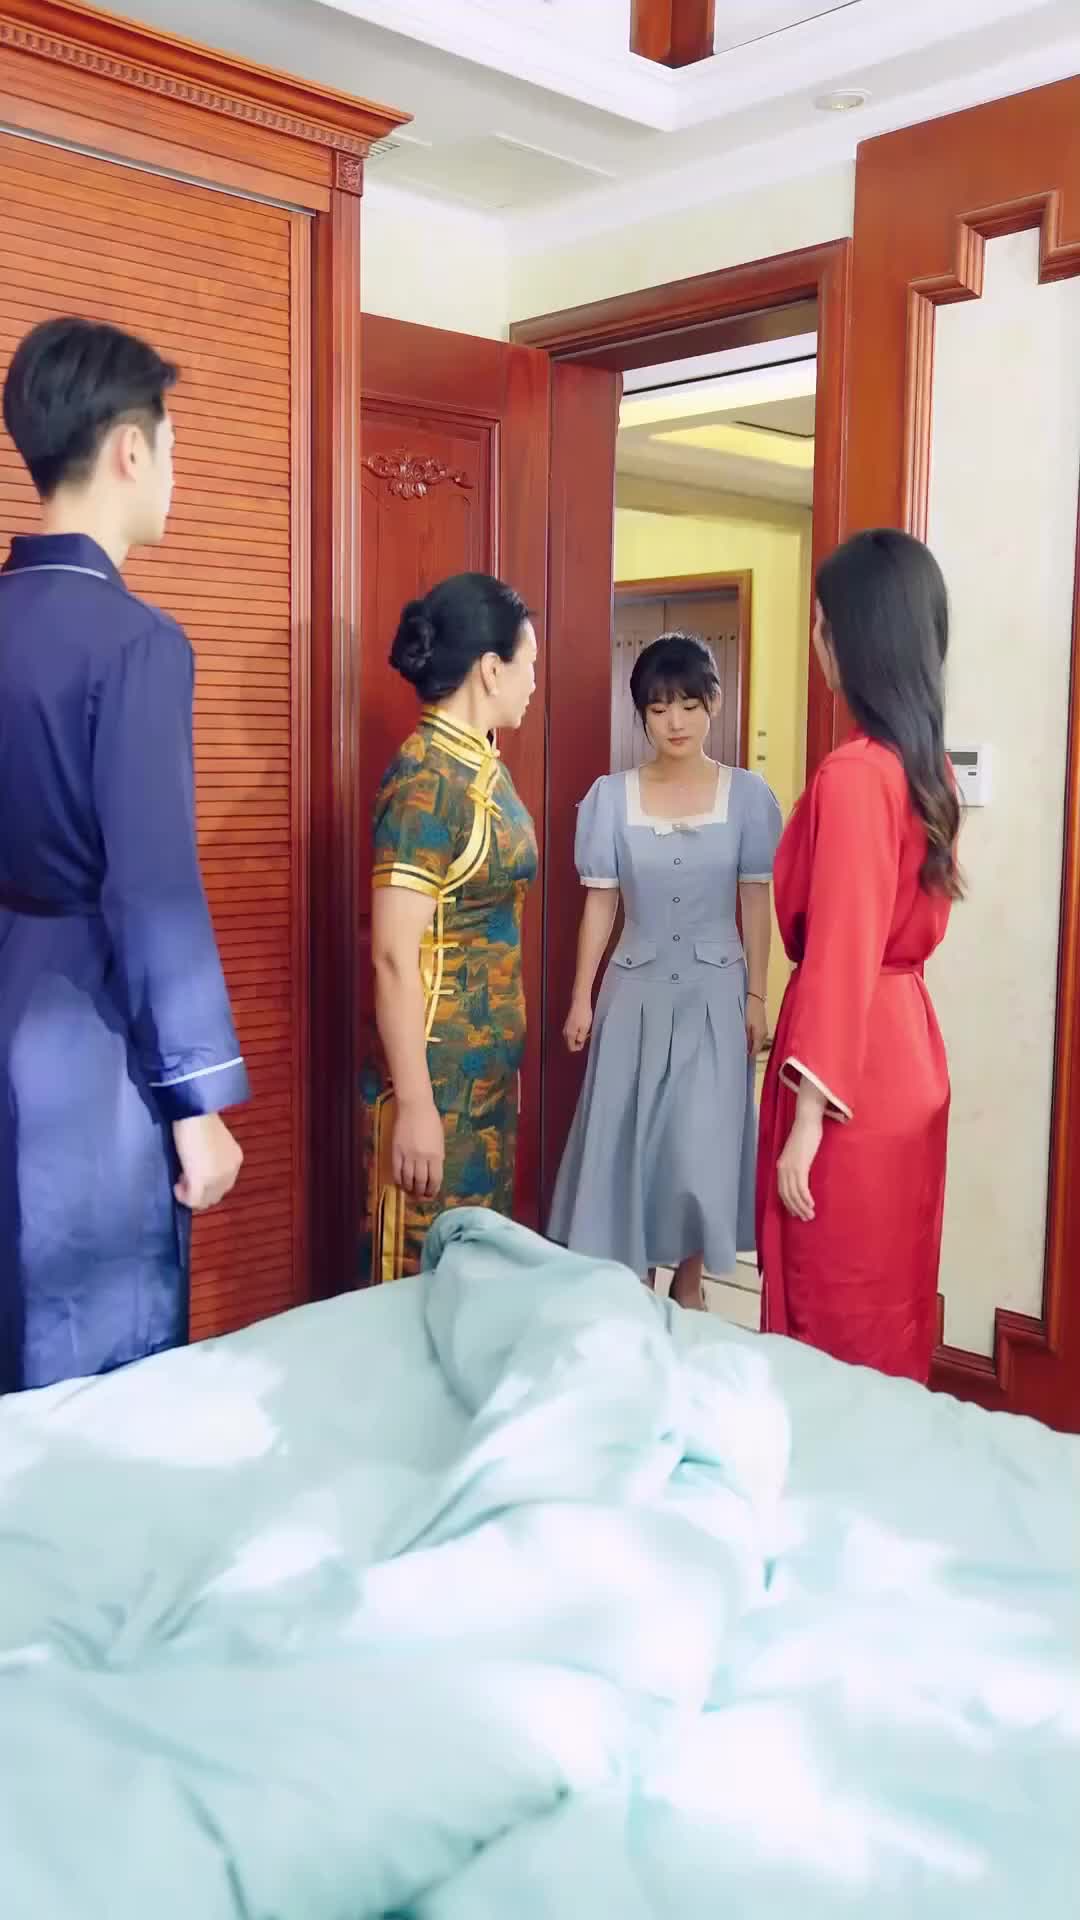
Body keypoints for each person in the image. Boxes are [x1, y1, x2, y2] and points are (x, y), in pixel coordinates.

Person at [0, 316, 247, 1394]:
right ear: (130, 450)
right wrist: (199, 1110)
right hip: (83, 1031)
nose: (174, 472)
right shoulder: (136, 642)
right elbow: (151, 894)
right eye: (174, 445)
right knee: (95, 1342)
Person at [756, 527, 960, 1383]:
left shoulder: (853, 775)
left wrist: (807, 1118)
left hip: (847, 1075)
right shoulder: (927, 767)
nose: (816, 639)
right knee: (891, 1290)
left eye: (821, 622)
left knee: (829, 1300)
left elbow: (841, 948)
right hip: (906, 1051)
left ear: (851, 636)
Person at [548, 631, 782, 1308]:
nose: (674, 721)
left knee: (700, 1141)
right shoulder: (610, 798)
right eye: (657, 708)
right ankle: (636, 1286)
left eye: (688, 704)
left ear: (714, 704)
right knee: (633, 1141)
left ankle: (690, 1283)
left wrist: (758, 995)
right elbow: (601, 902)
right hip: (634, 991)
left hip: (715, 990)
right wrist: (581, 998)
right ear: (642, 716)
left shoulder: (748, 797)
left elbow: (755, 900)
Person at [363, 573, 538, 1283]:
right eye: (528, 665)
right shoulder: (426, 779)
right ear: (491, 669)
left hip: (484, 1086)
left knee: (474, 1282)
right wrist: (414, 1105)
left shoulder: (479, 763)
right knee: (420, 1285)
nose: (533, 683)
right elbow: (392, 956)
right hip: (436, 1085)